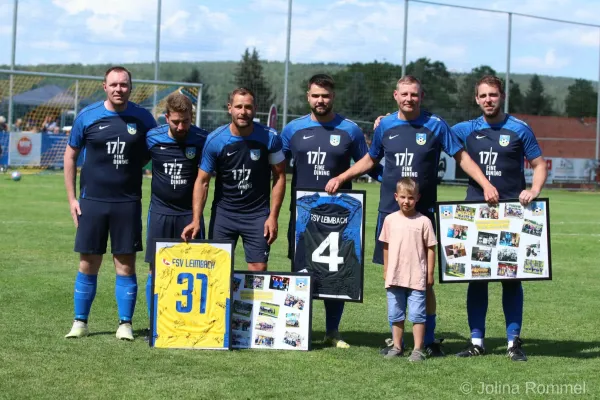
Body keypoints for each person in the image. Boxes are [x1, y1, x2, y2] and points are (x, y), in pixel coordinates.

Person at [325, 75, 499, 356]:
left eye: (414, 95)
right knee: (392, 279)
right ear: (395, 95)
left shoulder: (436, 125)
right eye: (404, 94)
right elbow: (371, 159)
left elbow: (462, 157)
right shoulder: (386, 126)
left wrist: (486, 183)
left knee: (423, 281)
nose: (409, 99)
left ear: (422, 96)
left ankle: (426, 340)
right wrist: (342, 176)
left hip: (424, 216)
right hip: (390, 214)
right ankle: (397, 342)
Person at [281, 73, 381, 349]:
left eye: (325, 96)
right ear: (308, 97)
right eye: (315, 95)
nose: (320, 100)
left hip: (339, 217)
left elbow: (368, 161)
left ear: (333, 97)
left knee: (336, 272)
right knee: (303, 270)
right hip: (303, 217)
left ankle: (332, 331)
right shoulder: (292, 130)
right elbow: (277, 168)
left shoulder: (349, 130)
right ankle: (300, 329)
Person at [452, 75, 548, 362]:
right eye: (483, 96)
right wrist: (386, 119)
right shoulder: (465, 130)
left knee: (511, 280)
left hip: (511, 217)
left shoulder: (520, 129)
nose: (488, 100)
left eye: (492, 95)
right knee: (477, 280)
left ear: (501, 96)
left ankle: (512, 342)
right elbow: (429, 128)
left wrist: (534, 189)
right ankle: (477, 341)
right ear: (476, 98)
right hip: (477, 216)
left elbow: (539, 164)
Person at [64, 66, 157, 340]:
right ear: (104, 86)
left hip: (127, 202)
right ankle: (80, 323)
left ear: (131, 87)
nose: (119, 89)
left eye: (124, 85)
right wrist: (72, 199)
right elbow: (70, 156)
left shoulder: (143, 119)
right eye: (114, 84)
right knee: (88, 263)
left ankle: (125, 324)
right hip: (91, 202)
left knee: (125, 263)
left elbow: (158, 148)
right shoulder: (88, 116)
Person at [181, 88, 286, 271]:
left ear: (254, 109)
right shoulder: (215, 140)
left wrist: (273, 217)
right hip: (224, 214)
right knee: (217, 269)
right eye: (238, 106)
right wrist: (196, 219)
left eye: (248, 107)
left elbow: (279, 176)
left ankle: (250, 302)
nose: (243, 112)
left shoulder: (270, 138)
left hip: (257, 215)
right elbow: (202, 181)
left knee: (258, 267)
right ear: (230, 108)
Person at [144, 92, 209, 321]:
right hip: (160, 213)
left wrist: (196, 216)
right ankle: (156, 324)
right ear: (166, 117)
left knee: (196, 268)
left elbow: (206, 181)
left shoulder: (202, 139)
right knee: (156, 270)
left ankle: (191, 323)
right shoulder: (152, 137)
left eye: (186, 121)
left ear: (192, 116)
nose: (181, 127)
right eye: (176, 121)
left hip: (190, 215)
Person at [379, 178, 437, 361]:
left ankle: (418, 348)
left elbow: (431, 248)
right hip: (395, 276)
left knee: (418, 315)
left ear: (417, 198)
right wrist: (386, 269)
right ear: (396, 197)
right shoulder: (389, 220)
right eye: (403, 197)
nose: (406, 201)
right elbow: (386, 246)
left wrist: (429, 273)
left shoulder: (424, 222)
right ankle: (397, 346)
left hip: (416, 277)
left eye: (410, 197)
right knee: (395, 313)